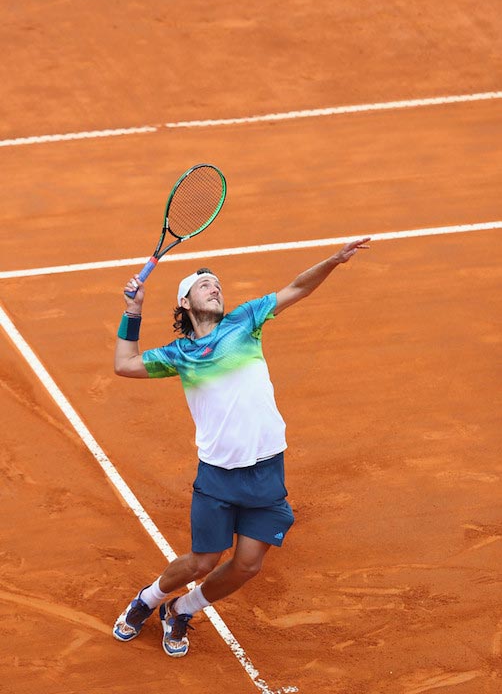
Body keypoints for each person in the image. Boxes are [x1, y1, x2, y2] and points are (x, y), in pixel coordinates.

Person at [112, 237, 371, 657]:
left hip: (267, 468)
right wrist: (133, 311)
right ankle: (148, 600)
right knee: (202, 561)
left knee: (248, 564)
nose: (215, 288)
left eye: (217, 284)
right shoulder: (181, 354)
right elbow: (124, 365)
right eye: (204, 285)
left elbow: (298, 288)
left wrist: (332, 261)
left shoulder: (245, 321)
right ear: (185, 303)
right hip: (218, 475)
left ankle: (182, 610)